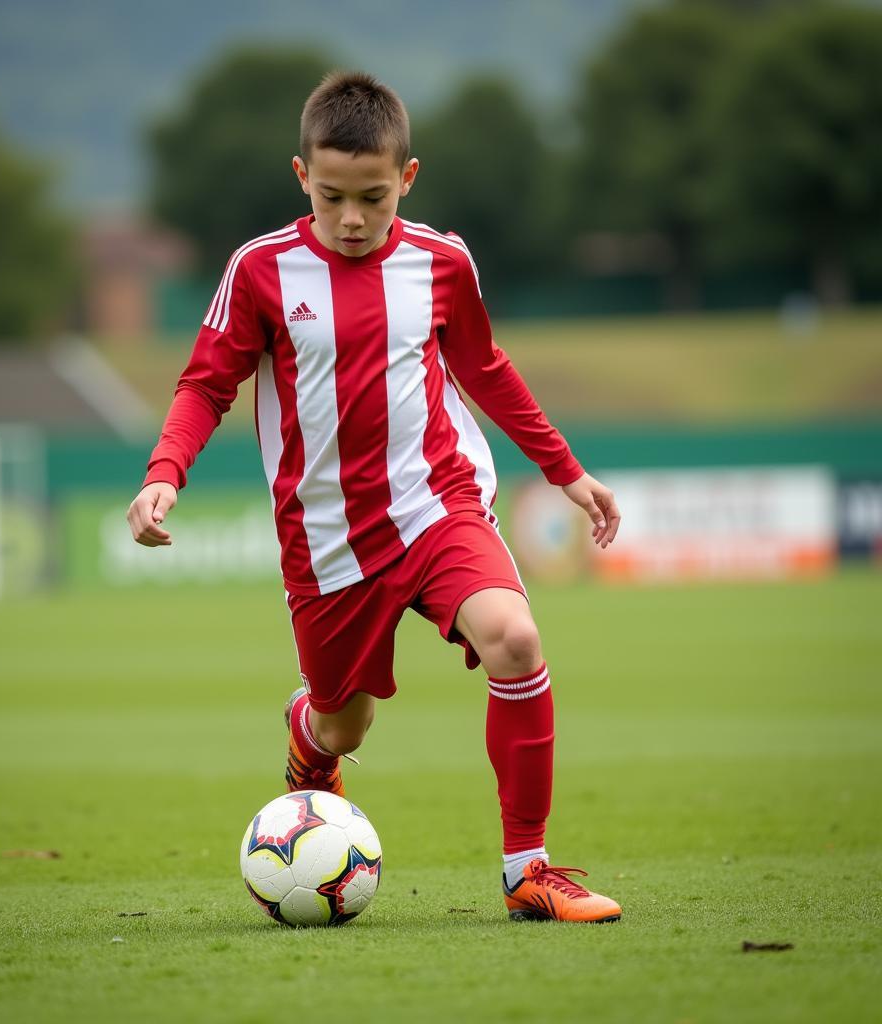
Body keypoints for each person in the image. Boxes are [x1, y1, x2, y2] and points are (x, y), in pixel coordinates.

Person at [127, 71, 623, 924]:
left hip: (438, 505)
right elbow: (207, 382)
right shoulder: (259, 271)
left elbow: (485, 370)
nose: (352, 219)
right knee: (342, 727)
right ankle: (308, 737)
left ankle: (529, 872)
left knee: (515, 637)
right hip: (324, 541)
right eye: (330, 198)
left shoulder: (443, 263)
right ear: (300, 178)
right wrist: (164, 474)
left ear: (408, 178)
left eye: (374, 197)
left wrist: (565, 470)